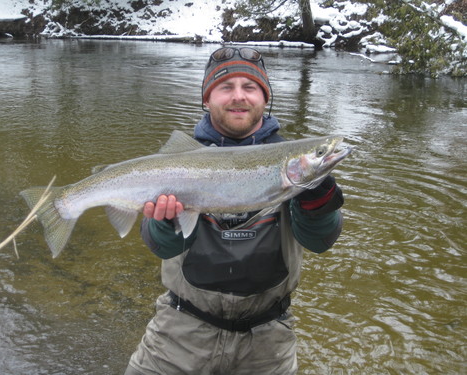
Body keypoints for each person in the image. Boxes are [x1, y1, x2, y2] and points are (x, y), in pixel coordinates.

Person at [124, 47, 345, 375]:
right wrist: (165, 222)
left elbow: (320, 242)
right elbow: (162, 247)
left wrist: (319, 206)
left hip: (268, 342)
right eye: (226, 87)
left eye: (250, 87)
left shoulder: (293, 166)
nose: (238, 96)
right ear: (206, 99)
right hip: (178, 334)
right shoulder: (175, 166)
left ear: (265, 99)